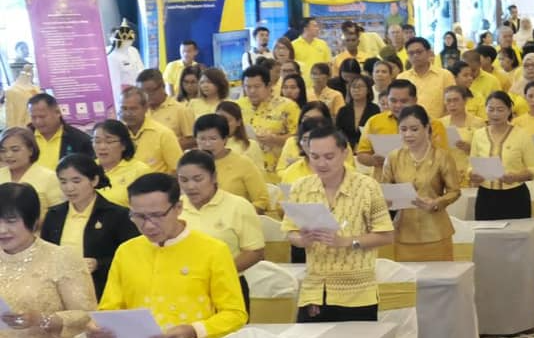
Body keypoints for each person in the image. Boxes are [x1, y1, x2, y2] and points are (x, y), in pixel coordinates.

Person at [83, 173, 247, 338]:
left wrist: (192, 330)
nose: (148, 225)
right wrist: (97, 328)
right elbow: (109, 308)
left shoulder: (212, 250)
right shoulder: (127, 252)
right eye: (138, 216)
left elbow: (235, 313)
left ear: (178, 207)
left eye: (157, 216)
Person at [0, 182, 95, 338]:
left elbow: (86, 314)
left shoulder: (60, 257)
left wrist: (41, 320)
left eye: (11, 221)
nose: (2, 229)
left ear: (33, 221)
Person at [283, 124, 395, 321]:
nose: (321, 163)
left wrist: (347, 242)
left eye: (329, 156)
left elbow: (386, 235)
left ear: (344, 154)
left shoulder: (367, 187)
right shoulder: (301, 187)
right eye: (314, 156)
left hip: (357, 292)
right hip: (315, 291)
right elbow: (290, 232)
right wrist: (303, 240)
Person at [378, 105, 465, 262]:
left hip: (436, 232)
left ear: (426, 128)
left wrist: (437, 202)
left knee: (439, 282)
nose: (408, 134)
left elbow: (455, 191)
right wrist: (387, 201)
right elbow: (383, 191)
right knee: (408, 283)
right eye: (403, 129)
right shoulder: (393, 157)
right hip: (404, 232)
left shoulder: (442, 156)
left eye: (414, 129)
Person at [41, 154, 136, 297]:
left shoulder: (117, 215)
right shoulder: (54, 215)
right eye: (63, 182)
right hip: (60, 291)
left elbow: (131, 257)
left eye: (76, 181)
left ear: (94, 180)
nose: (69, 188)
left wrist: (99, 264)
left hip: (101, 289)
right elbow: (44, 253)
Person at [174, 152, 264, 274]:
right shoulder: (174, 208)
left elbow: (254, 252)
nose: (190, 186)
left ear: (214, 177)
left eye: (198, 179)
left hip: (226, 280)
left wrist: (217, 272)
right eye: (183, 180)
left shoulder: (239, 206)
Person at [468, 90, 534, 220]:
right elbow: (471, 165)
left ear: (509, 111)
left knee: (516, 237)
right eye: (491, 109)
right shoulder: (478, 134)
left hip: (514, 195)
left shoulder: (522, 135)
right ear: (485, 110)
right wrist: (472, 174)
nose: (495, 114)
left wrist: (517, 176)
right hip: (486, 196)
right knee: (486, 236)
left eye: (500, 109)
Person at [26, 92, 92, 169]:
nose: (38, 121)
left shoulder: (79, 140)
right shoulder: (25, 138)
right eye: (33, 117)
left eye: (42, 117)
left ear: (58, 112)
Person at [1, 126, 60, 210]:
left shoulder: (50, 177)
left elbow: (59, 213)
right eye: (3, 150)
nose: (8, 155)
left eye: (15, 150)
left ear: (30, 150)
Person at [90, 120, 146, 207]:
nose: (102, 147)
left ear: (123, 145)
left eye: (109, 142)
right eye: (97, 142)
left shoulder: (140, 170)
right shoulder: (87, 168)